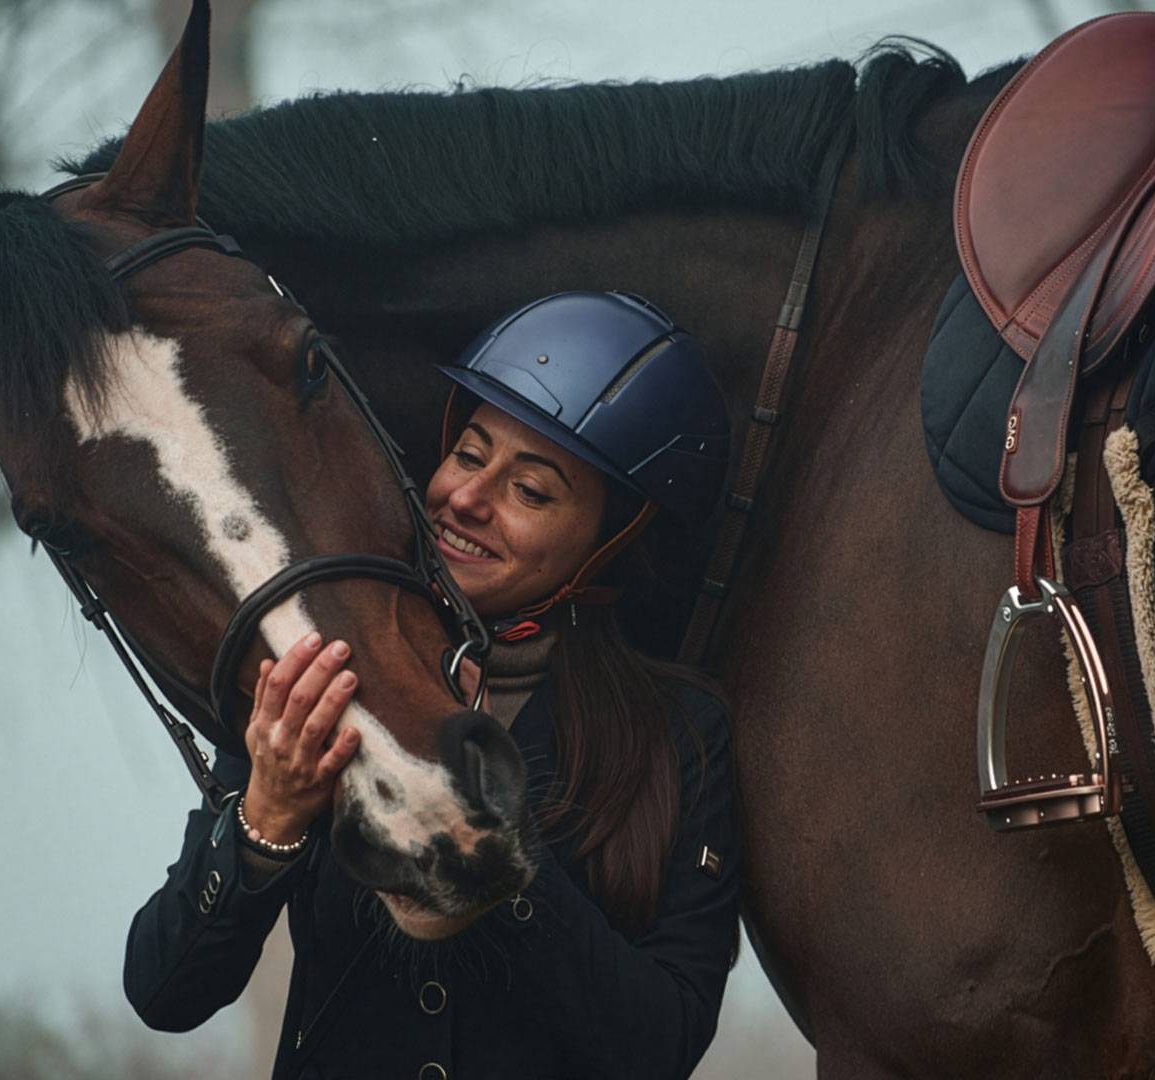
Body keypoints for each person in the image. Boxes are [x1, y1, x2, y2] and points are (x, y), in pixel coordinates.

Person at [124, 291, 740, 1079]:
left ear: (610, 540)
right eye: (471, 454)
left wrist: (494, 860)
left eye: (532, 491)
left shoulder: (682, 732)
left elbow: (662, 1044)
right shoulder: (322, 670)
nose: (467, 499)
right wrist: (263, 819)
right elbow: (163, 992)